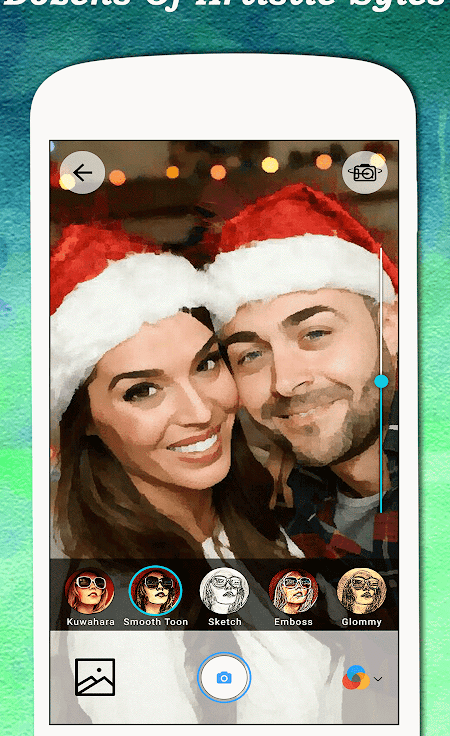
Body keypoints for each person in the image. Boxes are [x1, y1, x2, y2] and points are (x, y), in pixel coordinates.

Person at [50, 222, 343, 725]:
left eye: (206, 365)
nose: (200, 412)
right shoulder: (118, 610)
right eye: (142, 391)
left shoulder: (242, 518)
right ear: (88, 422)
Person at [205, 183, 399, 581]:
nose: (286, 381)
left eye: (315, 333)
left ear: (390, 326)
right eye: (251, 355)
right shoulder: (289, 511)